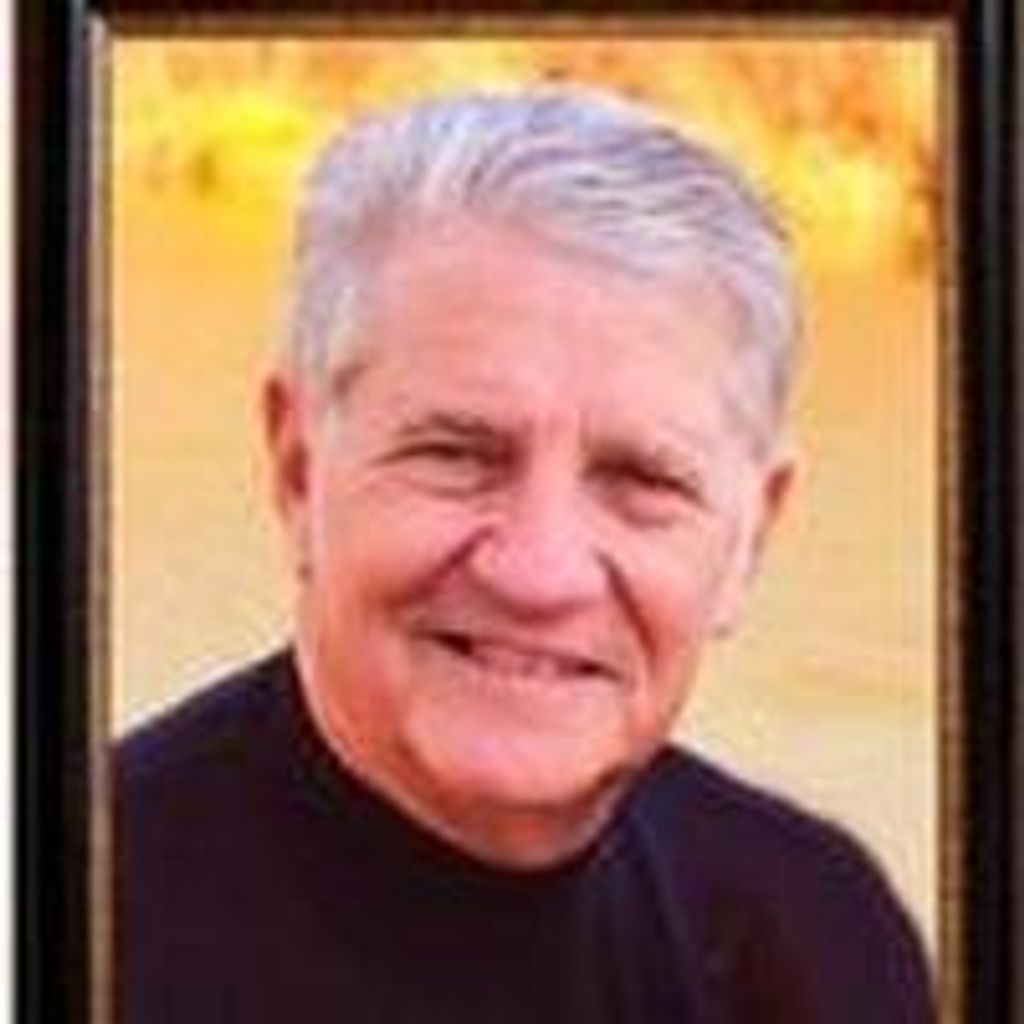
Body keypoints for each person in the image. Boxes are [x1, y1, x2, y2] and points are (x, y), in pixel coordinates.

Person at [115, 85, 934, 1023]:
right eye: (457, 455)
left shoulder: (825, 937)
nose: (540, 572)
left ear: (753, 537)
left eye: (641, 480)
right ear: (298, 467)